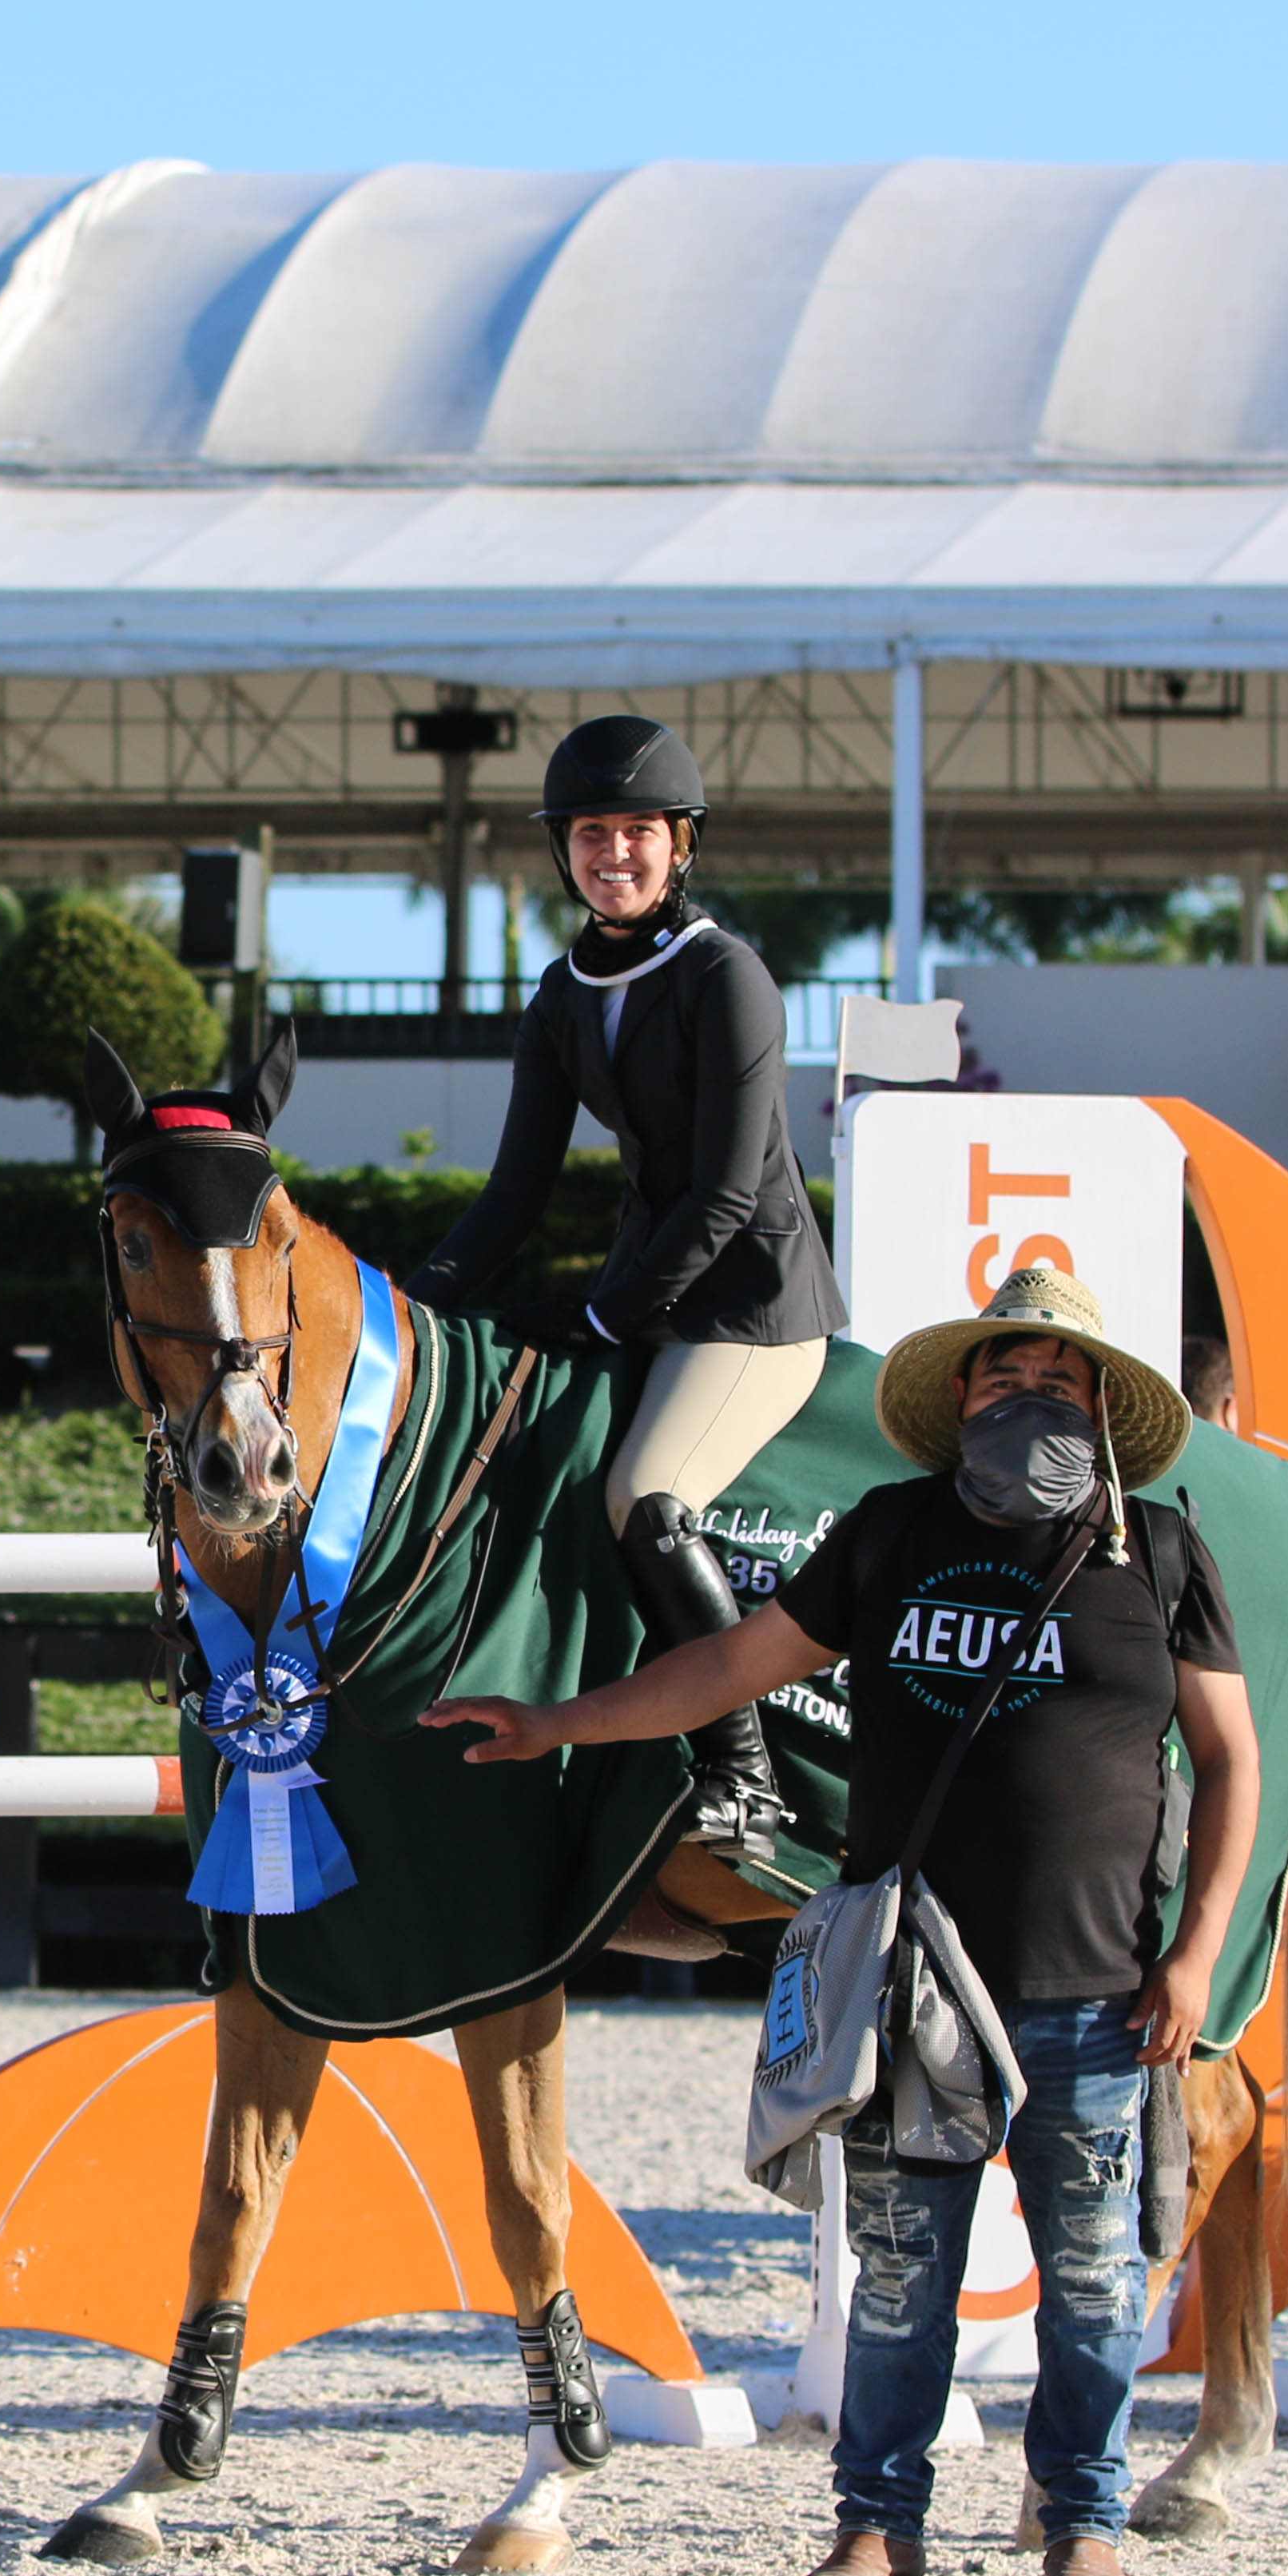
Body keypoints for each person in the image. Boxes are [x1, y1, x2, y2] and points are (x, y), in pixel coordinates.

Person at [423, 1265, 1260, 2576]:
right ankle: (877, 2530)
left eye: (1056, 1381)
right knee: (899, 2284)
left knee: (1098, 2286)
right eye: (1003, 1376)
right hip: (918, 1983)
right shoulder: (891, 1530)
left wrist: (1198, 1949)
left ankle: (1082, 2529)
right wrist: (555, 1723)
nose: (1027, 1398)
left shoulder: (1161, 1552)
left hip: (1100, 1991)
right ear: (962, 1398)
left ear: (1102, 1406)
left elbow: (1233, 1761)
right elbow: (727, 1667)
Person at [411, 714, 843, 1856]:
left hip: (751, 1305)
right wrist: (409, 1309)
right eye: (592, 832)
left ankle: (742, 1773)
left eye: (638, 832)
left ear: (681, 843)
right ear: (565, 851)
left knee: (642, 1495)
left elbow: (726, 1196)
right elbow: (515, 1193)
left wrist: (607, 1313)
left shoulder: (727, 977)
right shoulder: (560, 994)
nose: (615, 853)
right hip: (652, 1293)